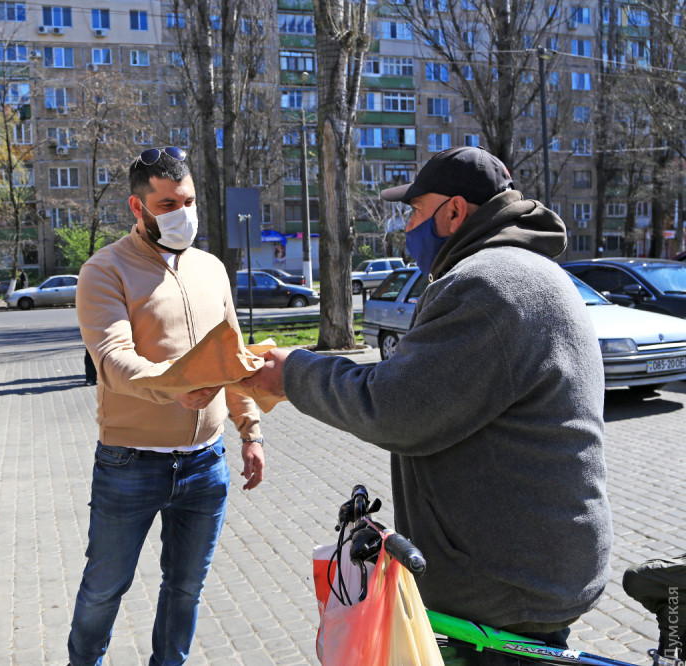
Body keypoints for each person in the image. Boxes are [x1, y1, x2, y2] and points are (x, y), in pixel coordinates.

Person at [243, 147, 612, 663]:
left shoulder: (488, 285)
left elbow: (396, 407)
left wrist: (293, 373)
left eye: (415, 211)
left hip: (508, 583)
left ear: (455, 212)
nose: (407, 226)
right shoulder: (526, 270)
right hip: (532, 560)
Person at [69, 147, 266, 666]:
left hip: (206, 463)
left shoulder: (211, 269)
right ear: (138, 207)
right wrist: (172, 387)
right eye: (167, 203)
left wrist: (251, 431)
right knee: (104, 589)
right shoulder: (104, 270)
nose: (183, 213)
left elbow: (233, 357)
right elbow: (112, 361)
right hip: (130, 464)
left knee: (185, 589)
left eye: (189, 200)